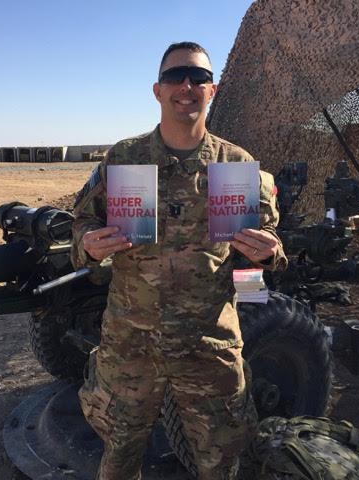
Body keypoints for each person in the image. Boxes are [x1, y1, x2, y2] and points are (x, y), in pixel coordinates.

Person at [71, 41, 287, 480]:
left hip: (208, 349)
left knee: (220, 464)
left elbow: (262, 251)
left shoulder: (235, 164)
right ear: (158, 90)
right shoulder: (125, 158)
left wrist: (268, 256)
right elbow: (82, 224)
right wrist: (88, 246)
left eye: (198, 77)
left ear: (212, 90)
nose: (186, 86)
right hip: (131, 347)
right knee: (118, 459)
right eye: (174, 76)